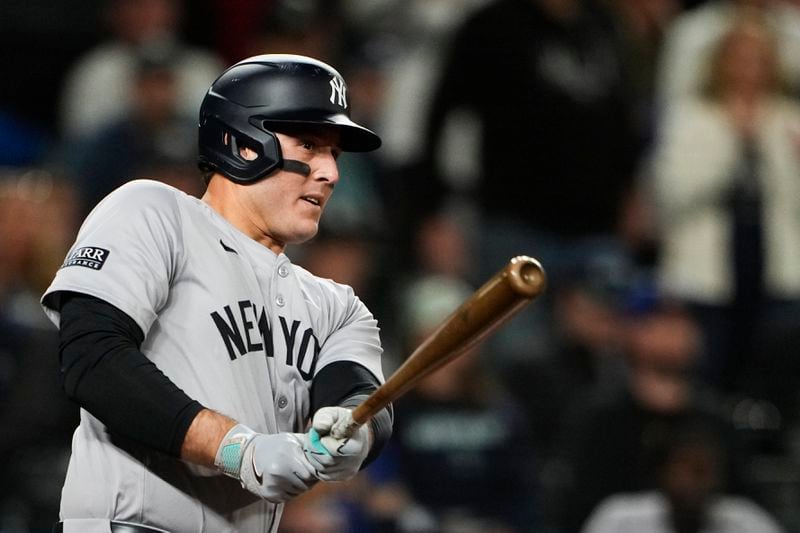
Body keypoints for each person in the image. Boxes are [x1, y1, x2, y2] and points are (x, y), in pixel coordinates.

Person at [39, 54, 393, 533]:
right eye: (309, 144)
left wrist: (356, 431)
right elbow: (92, 359)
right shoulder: (155, 212)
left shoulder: (338, 306)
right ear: (243, 144)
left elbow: (361, 393)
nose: (330, 172)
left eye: (335, 154)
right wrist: (236, 447)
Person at [582, 419, 785, 533]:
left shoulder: (748, 523)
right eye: (681, 470)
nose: (690, 483)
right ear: (662, 472)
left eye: (701, 471)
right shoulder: (619, 519)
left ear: (718, 477)